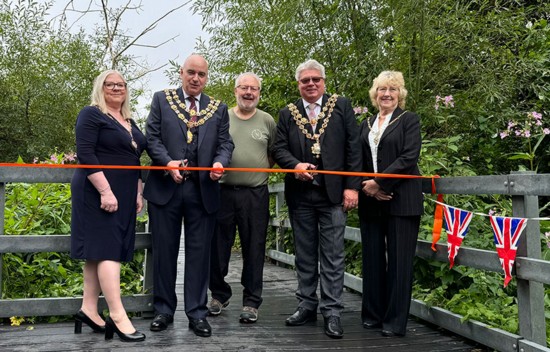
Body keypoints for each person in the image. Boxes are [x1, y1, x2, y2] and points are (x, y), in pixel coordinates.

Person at [143, 54, 234, 338]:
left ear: (207, 77)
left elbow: (225, 143)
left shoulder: (218, 108)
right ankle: (163, 310)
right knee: (164, 251)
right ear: (181, 73)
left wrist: (220, 163)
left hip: (202, 189)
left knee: (199, 254)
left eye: (201, 75)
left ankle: (197, 313)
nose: (196, 79)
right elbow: (152, 138)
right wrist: (167, 162)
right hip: (165, 188)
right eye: (191, 73)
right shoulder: (161, 99)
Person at [272, 59, 361, 339]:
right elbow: (278, 148)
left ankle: (332, 311)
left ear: (324, 81)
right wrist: (294, 165)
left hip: (333, 194)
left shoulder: (341, 106)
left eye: (315, 79)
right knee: (305, 254)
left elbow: (353, 148)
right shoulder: (288, 113)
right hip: (301, 194)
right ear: (298, 84)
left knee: (333, 255)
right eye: (304, 80)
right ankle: (306, 304)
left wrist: (352, 187)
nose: (310, 84)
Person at [71, 69, 146, 342]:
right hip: (97, 191)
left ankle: (89, 308)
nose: (116, 88)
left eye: (121, 84)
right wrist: (105, 191)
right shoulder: (91, 114)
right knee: (108, 250)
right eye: (110, 84)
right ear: (100, 88)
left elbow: (134, 158)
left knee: (97, 250)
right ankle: (117, 314)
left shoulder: (128, 120)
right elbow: (86, 153)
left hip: (125, 192)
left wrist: (138, 191)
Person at [358, 71, 423, 337]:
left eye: (393, 89)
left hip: (402, 199)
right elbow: (359, 160)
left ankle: (395, 322)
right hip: (371, 200)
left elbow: (409, 157)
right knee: (372, 259)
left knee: (399, 262)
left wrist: (381, 184)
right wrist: (369, 189)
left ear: (400, 94)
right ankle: (373, 314)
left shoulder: (409, 121)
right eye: (382, 89)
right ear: (375, 94)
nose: (387, 94)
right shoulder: (366, 123)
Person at [208, 72, 277, 323]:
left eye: (254, 89)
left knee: (254, 247)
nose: (249, 92)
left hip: (255, 194)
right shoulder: (222, 117)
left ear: (259, 93)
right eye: (244, 88)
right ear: (235, 90)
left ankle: (251, 301)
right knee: (218, 247)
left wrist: (254, 170)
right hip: (223, 191)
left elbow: (274, 154)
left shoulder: (267, 120)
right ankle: (218, 294)